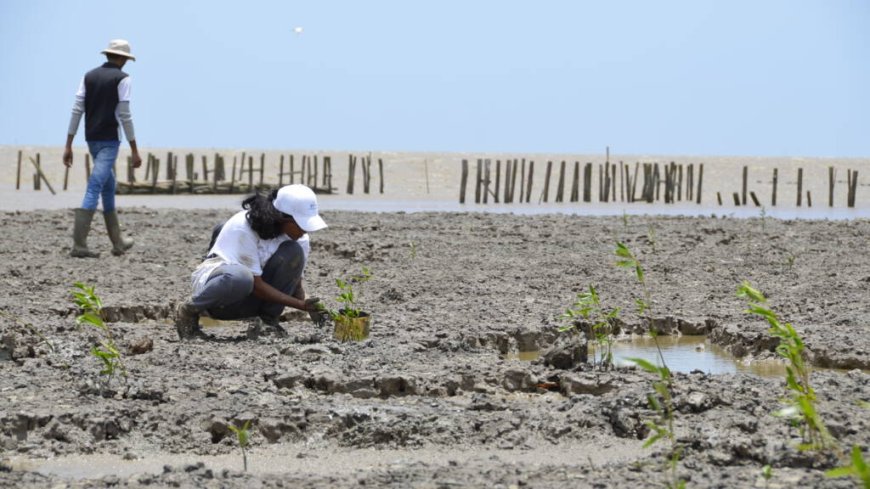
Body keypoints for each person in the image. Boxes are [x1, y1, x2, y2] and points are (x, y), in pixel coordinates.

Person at [175, 184, 327, 340]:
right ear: (283, 218)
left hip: (250, 299)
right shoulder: (244, 227)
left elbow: (295, 286)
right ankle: (189, 311)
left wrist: (312, 305)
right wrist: (301, 306)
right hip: (221, 299)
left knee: (294, 252)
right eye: (302, 224)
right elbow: (257, 286)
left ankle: (268, 322)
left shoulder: (300, 239)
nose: (305, 231)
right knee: (241, 277)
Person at [63, 39, 142, 258]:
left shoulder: (87, 76)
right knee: (95, 185)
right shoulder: (123, 79)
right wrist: (134, 148)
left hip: (91, 139)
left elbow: (77, 110)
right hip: (109, 141)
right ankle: (79, 245)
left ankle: (118, 242)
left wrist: (69, 144)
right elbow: (125, 115)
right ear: (123, 58)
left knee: (108, 185)